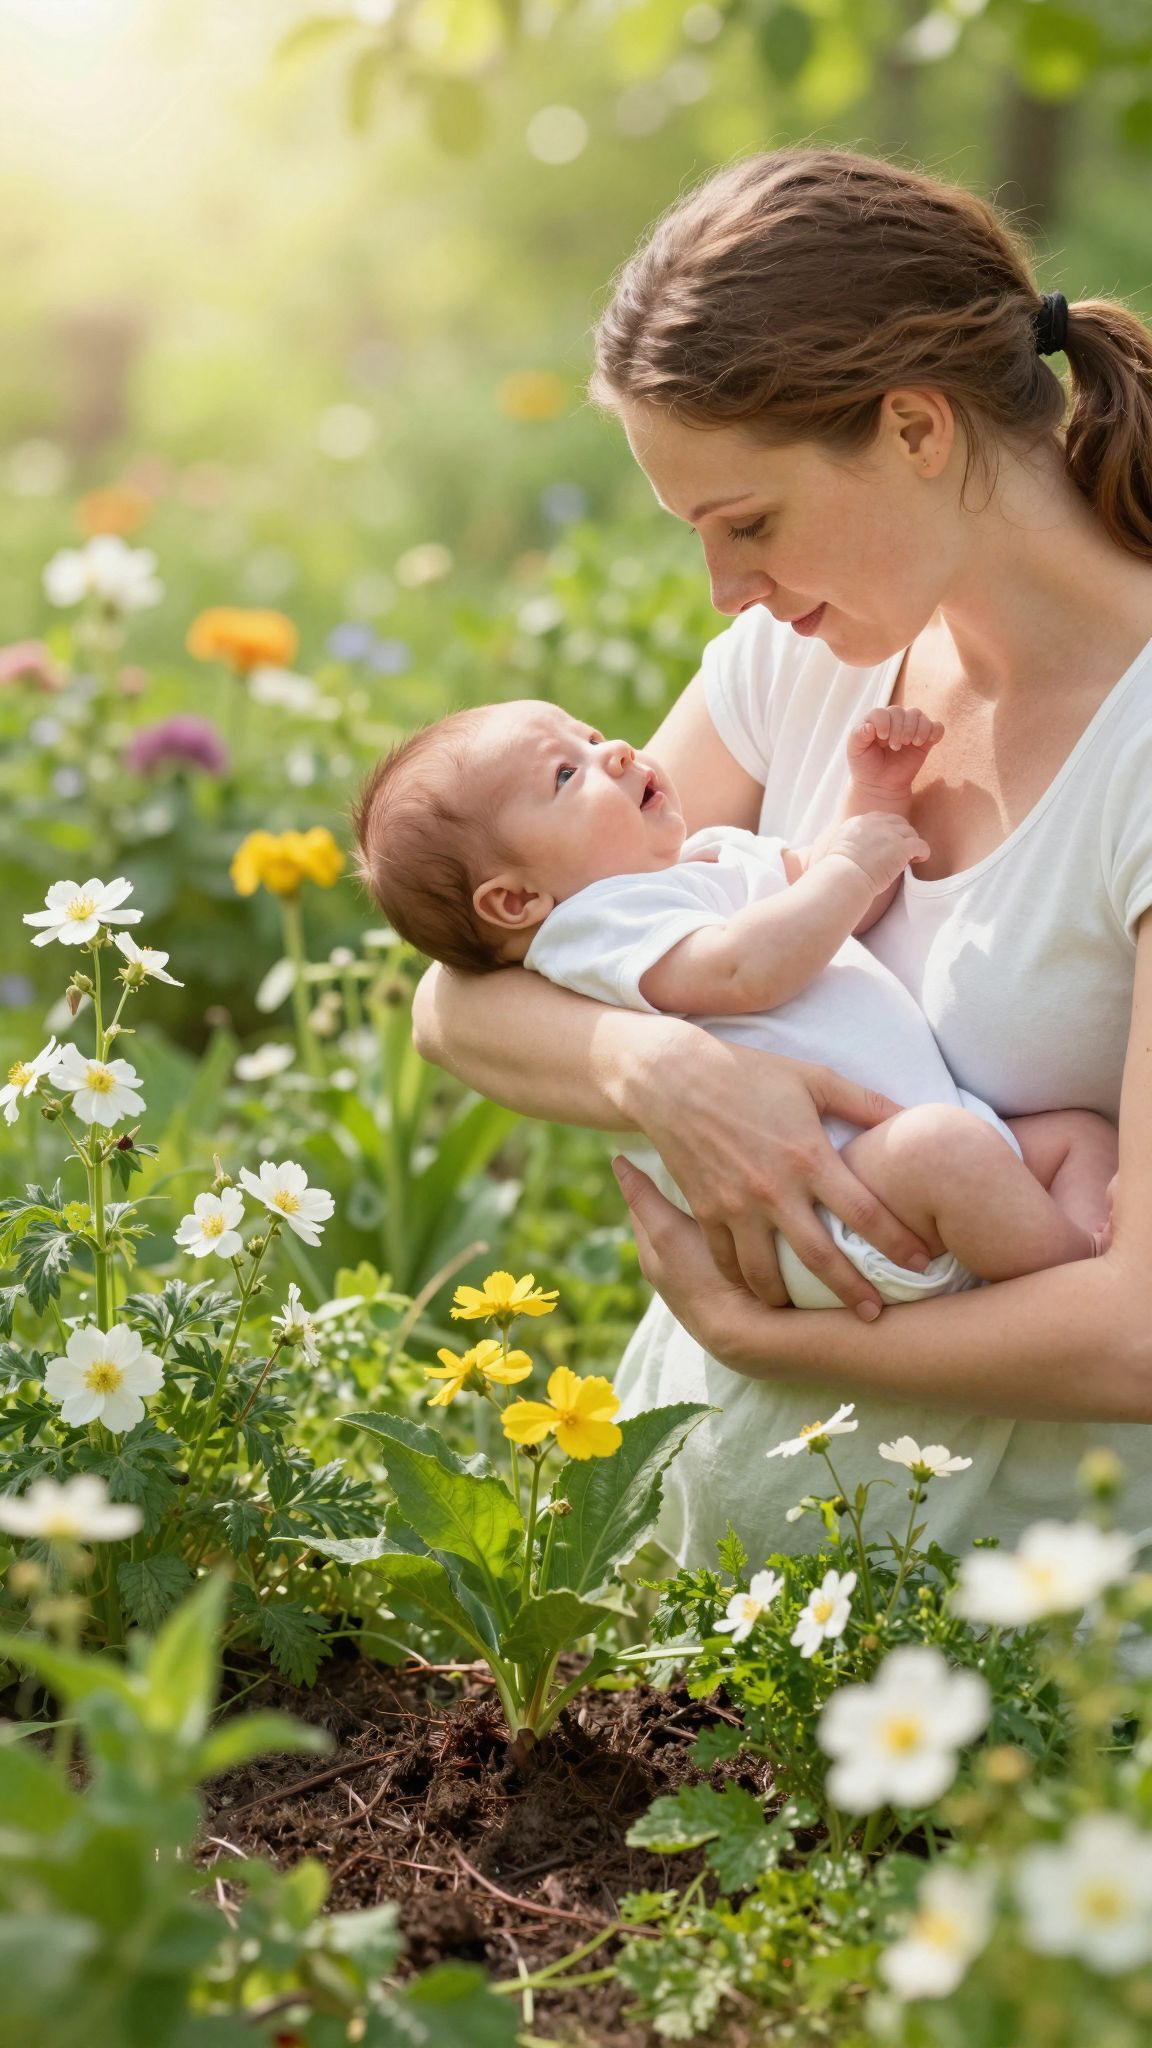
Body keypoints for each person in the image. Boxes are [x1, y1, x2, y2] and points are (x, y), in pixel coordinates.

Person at [410, 147, 1152, 1567]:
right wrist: (670, 1073)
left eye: (749, 523)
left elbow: (1138, 1339)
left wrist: (765, 1337)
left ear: (916, 429)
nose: (727, 590)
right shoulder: (794, 660)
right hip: (707, 1574)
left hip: (1019, 1652)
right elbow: (466, 994)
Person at [356, 694, 1116, 1315]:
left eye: (589, 733)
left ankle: (1090, 1256)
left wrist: (873, 800)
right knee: (951, 1151)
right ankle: (1080, 1295)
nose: (615, 751)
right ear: (518, 900)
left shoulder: (707, 859)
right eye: (564, 775)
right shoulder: (592, 930)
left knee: (1077, 1138)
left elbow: (833, 903)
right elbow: (744, 969)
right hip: (837, 1198)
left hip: (911, 1144)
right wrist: (848, 867)